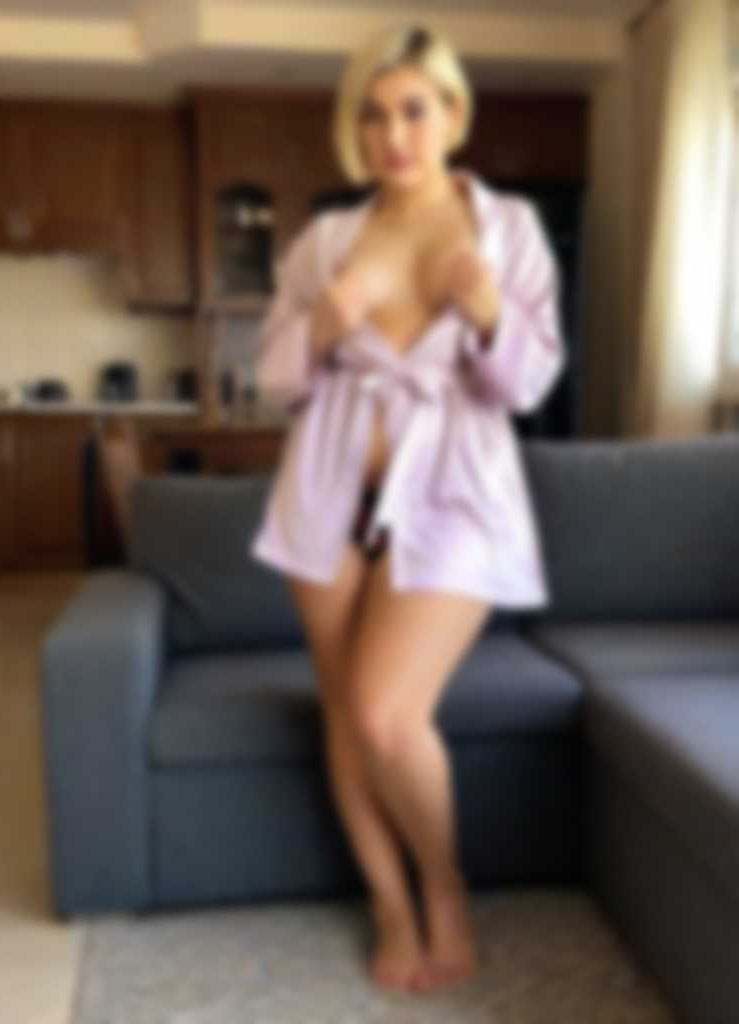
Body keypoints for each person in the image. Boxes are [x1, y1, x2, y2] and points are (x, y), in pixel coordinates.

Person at [249, 22, 566, 996]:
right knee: (346, 714)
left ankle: (443, 884)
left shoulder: (507, 229)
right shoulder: (327, 241)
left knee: (387, 712)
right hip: (326, 495)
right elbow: (271, 379)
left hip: (455, 494)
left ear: (454, 114)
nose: (394, 136)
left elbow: (529, 383)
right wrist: (320, 327)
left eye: (414, 111)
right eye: (374, 115)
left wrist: (490, 313)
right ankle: (390, 905)